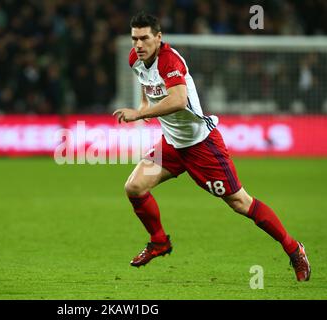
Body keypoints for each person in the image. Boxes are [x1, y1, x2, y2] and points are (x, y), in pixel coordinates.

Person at [113, 12, 311, 281]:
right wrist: (143, 109)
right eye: (135, 38)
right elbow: (148, 91)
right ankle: (159, 242)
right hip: (172, 144)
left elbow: (179, 100)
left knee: (240, 203)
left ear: (158, 38)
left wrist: (138, 115)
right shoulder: (135, 60)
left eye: (144, 38)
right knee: (134, 187)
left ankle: (293, 248)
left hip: (201, 146)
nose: (138, 44)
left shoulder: (170, 60)